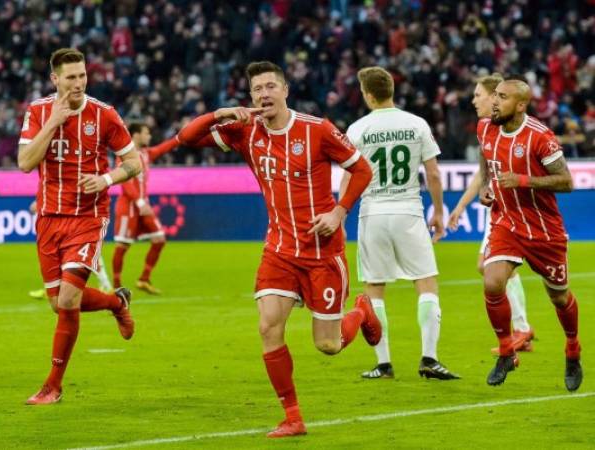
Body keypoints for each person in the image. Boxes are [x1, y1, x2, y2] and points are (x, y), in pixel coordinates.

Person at [177, 61, 379, 438]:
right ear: (251, 96)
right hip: (280, 249)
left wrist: (339, 211)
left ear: (285, 90)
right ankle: (293, 417)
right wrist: (219, 113)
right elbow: (187, 138)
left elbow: (363, 169)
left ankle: (362, 311)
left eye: (271, 86)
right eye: (257, 89)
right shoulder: (244, 130)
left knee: (328, 345)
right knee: (268, 326)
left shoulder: (317, 130)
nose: (264, 94)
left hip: (322, 251)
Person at [17, 48, 142, 405]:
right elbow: (25, 162)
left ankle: (53, 386)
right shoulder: (39, 112)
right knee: (58, 303)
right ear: (54, 79)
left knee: (69, 299)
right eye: (70, 77)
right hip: (48, 218)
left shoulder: (104, 115)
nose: (78, 83)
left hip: (88, 217)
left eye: (82, 75)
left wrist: (106, 179)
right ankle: (116, 303)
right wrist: (55, 122)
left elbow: (133, 162)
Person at [341, 66, 459, 381]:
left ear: (367, 94)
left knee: (374, 289)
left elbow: (349, 175)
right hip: (408, 211)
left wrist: (341, 213)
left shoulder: (358, 129)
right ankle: (430, 358)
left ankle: (383, 364)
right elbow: (433, 173)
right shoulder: (416, 124)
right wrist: (437, 212)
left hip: (373, 213)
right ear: (392, 89)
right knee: (426, 282)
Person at [478, 77, 582, 390]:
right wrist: (486, 184)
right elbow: (486, 157)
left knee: (559, 296)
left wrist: (523, 181)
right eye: (495, 96)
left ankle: (573, 349)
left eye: (504, 97)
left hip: (543, 229)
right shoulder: (485, 128)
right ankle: (507, 351)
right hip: (506, 222)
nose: (495, 102)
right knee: (492, 280)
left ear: (521, 105)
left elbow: (566, 181)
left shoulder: (541, 138)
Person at [448, 74, 534, 355]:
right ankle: (522, 328)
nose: (474, 100)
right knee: (488, 266)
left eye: (478, 95)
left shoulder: (514, 129)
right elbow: (482, 174)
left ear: (494, 96)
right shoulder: (484, 128)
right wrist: (461, 206)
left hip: (513, 209)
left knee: (492, 266)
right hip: (497, 207)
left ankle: (521, 328)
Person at [112, 123, 180, 294]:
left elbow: (165, 147)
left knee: (159, 239)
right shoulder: (124, 156)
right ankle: (116, 285)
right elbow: (125, 181)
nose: (149, 136)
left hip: (144, 205)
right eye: (146, 133)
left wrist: (182, 136)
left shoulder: (146, 154)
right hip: (129, 206)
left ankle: (144, 279)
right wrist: (139, 202)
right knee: (122, 245)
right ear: (135, 135)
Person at [28, 200, 113, 298]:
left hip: (82, 224)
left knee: (88, 257)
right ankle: (53, 289)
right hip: (69, 224)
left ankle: (106, 286)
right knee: (60, 259)